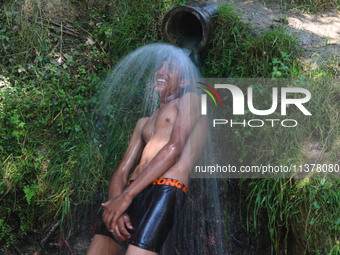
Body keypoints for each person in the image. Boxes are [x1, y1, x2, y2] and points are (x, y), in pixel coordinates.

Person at [87, 58, 206, 255]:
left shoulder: (190, 100)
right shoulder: (144, 122)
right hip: (130, 191)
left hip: (166, 189)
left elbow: (174, 148)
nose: (160, 71)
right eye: (158, 66)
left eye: (169, 68)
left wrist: (127, 196)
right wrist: (118, 204)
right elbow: (122, 170)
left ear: (184, 81)